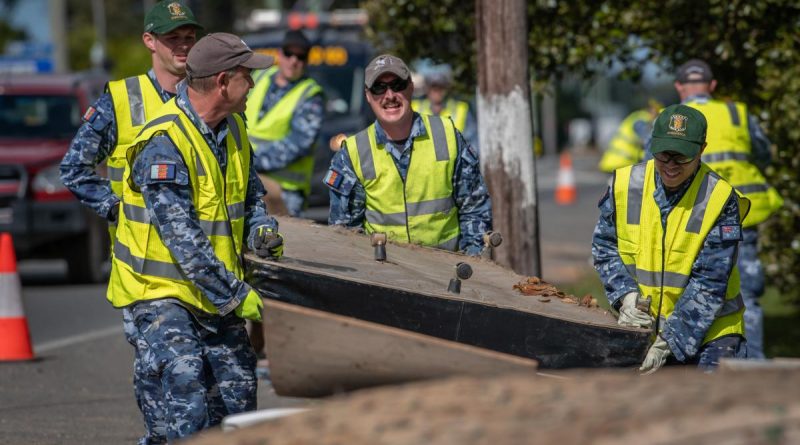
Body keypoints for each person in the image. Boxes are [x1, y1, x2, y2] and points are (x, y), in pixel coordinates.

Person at [106, 33, 282, 441]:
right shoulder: (164, 144)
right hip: (159, 293)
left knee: (239, 401)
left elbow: (253, 195)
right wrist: (239, 296)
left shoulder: (233, 129)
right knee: (187, 400)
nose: (253, 85)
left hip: (212, 295)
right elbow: (184, 243)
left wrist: (262, 230)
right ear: (223, 82)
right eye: (247, 76)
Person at [59, 2, 202, 443]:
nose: (182, 45)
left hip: (203, 273)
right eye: (172, 37)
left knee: (205, 403)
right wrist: (116, 207)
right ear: (149, 41)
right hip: (145, 275)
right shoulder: (122, 98)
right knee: (168, 389)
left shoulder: (209, 94)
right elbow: (75, 168)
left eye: (188, 37)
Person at [593, 104, 749, 373]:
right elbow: (605, 246)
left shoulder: (721, 200)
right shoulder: (625, 184)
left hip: (712, 337)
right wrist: (626, 297)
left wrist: (669, 342)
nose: (671, 166)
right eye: (664, 156)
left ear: (702, 149)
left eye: (682, 158)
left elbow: (710, 282)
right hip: (645, 332)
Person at [325, 54, 492, 255]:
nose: (389, 95)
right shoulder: (353, 153)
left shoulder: (447, 136)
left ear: (411, 87)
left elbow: (475, 209)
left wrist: (470, 265)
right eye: (379, 88)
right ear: (368, 96)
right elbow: (345, 233)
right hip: (384, 277)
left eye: (397, 85)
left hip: (447, 274)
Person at [673, 59, 783, 359]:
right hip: (742, 214)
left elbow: (659, 166)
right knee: (746, 293)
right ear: (712, 86)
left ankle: (694, 358)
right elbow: (762, 154)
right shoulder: (737, 113)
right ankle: (753, 365)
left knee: (691, 287)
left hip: (694, 216)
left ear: (680, 87)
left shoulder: (674, 119)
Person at [245, 30, 323, 217]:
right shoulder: (259, 77)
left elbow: (299, 143)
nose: (293, 60)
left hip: (286, 191)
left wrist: (251, 161)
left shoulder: (310, 94)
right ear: (280, 54)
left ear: (307, 60)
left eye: (300, 56)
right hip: (249, 178)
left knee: (284, 243)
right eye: (289, 53)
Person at [411, 64, 479, 150]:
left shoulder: (461, 109)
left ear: (447, 88)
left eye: (441, 87)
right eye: (433, 87)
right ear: (427, 88)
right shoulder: (414, 108)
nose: (437, 91)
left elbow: (472, 144)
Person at [598, 99, 661, 173]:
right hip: (621, 164)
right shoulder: (643, 120)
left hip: (614, 162)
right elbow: (648, 140)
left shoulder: (637, 116)